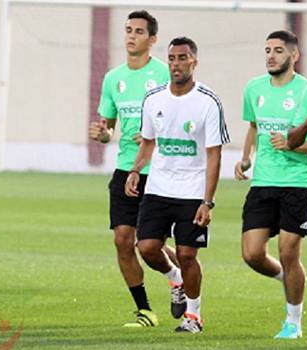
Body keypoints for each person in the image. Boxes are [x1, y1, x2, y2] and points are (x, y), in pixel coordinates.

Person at [125, 37, 230, 333]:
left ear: (194, 62)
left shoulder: (208, 102)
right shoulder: (154, 99)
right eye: (172, 58)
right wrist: (135, 170)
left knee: (187, 254)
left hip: (193, 191)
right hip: (158, 188)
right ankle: (175, 278)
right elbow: (148, 142)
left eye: (183, 58)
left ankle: (193, 317)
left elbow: (214, 156)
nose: (176, 64)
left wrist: (207, 202)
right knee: (146, 247)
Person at [88, 10, 182, 328]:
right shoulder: (114, 78)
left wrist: (157, 134)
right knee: (122, 241)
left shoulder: (165, 75)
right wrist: (102, 134)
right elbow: (108, 128)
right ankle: (145, 311)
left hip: (161, 170)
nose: (131, 36)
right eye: (128, 30)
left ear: (152, 39)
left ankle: (175, 277)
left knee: (149, 245)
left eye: (139, 31)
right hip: (125, 168)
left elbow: (183, 120)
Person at [235, 30, 307, 339]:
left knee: (288, 250)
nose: (271, 55)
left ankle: (293, 322)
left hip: (299, 182)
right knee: (252, 254)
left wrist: (293, 146)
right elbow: (254, 126)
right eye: (268, 49)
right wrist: (246, 158)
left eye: (279, 50)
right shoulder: (254, 88)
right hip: (263, 182)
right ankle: (289, 278)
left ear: (294, 56)